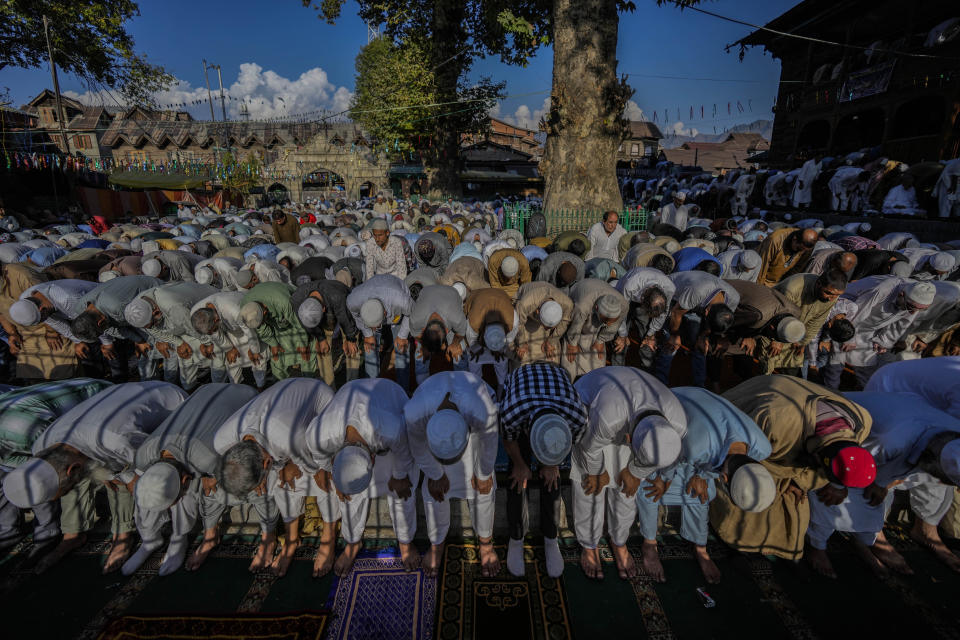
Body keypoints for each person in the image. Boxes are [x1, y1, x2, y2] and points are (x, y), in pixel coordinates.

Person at [2, 382, 187, 573]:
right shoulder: (41, 446)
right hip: (121, 405)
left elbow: (151, 461)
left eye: (68, 488)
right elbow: (99, 460)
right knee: (136, 486)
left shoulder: (115, 439)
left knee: (162, 481)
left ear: (73, 470)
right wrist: (115, 473)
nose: (72, 490)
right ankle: (151, 540)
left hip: (173, 405)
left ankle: (179, 539)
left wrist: (130, 477)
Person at [710, 375, 875, 560]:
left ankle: (780, 548)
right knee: (749, 488)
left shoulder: (862, 422)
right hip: (754, 404)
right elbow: (738, 451)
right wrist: (779, 477)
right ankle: (737, 542)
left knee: (794, 501)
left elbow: (836, 464)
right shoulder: (774, 420)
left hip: (787, 429)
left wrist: (802, 482)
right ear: (819, 457)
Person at [807, 391, 960, 577]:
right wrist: (838, 485)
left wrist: (883, 483)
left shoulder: (953, 432)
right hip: (842, 428)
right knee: (832, 494)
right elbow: (847, 460)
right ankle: (818, 546)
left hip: (904, 422)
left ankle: (868, 538)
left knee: (875, 495)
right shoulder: (890, 441)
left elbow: (913, 459)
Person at [122, 383, 259, 576]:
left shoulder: (207, 459)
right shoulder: (144, 455)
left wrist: (210, 478)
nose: (170, 507)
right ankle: (149, 539)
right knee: (150, 487)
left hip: (245, 394)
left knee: (187, 493)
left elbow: (224, 479)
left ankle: (179, 539)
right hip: (206, 390)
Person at [641, 386, 774, 583]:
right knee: (650, 490)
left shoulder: (763, 448)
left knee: (702, 493)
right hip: (675, 401)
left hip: (705, 415)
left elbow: (719, 461)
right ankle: (649, 545)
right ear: (725, 480)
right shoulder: (699, 445)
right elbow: (673, 455)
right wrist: (664, 479)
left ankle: (700, 549)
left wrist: (703, 475)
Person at [572, 367, 687, 581]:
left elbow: (663, 457)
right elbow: (590, 448)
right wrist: (598, 472)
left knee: (627, 491)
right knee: (590, 486)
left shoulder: (678, 423)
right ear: (629, 436)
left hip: (628, 405)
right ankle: (589, 544)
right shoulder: (609, 418)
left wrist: (636, 471)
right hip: (591, 406)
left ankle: (619, 541)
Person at [213, 379, 335, 577]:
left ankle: (328, 540)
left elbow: (320, 468)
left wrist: (289, 465)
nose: (258, 488)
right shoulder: (222, 442)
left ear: (266, 463)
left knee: (324, 483)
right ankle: (291, 540)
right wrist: (282, 467)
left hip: (319, 400)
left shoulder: (289, 437)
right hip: (282, 405)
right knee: (281, 485)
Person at [304, 378, 418, 577]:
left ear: (373, 457)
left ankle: (405, 542)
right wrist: (333, 475)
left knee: (403, 489)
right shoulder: (319, 435)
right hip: (350, 391)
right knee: (346, 494)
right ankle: (352, 543)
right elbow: (319, 456)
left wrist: (399, 476)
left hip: (389, 392)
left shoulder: (391, 429)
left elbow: (405, 450)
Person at [0, 379, 112, 556]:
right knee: (30, 478)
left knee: (58, 475)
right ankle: (30, 532)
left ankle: (61, 533)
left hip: (102, 402)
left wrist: (71, 529)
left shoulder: (21, 429)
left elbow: (68, 460)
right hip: (43, 422)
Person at [404, 372, 500, 577]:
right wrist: (435, 474)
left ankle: (485, 544)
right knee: (433, 493)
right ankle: (436, 544)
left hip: (474, 418)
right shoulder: (414, 414)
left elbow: (490, 443)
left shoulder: (483, 413)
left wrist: (482, 474)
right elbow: (418, 447)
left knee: (484, 489)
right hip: (434, 414)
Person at [499, 363, 588, 578]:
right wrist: (521, 465)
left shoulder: (577, 416)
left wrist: (552, 464)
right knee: (516, 478)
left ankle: (551, 537)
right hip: (521, 381)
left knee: (552, 477)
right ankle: (516, 537)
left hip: (556, 387)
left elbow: (569, 445)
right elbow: (508, 440)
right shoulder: (513, 411)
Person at [821, 277, 935, 389]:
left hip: (870, 329)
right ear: (901, 294)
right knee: (837, 360)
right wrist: (850, 339)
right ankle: (828, 392)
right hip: (848, 320)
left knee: (867, 366)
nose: (913, 312)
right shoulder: (883, 289)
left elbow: (902, 323)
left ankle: (862, 398)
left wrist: (883, 341)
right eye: (911, 307)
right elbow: (859, 311)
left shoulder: (916, 298)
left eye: (920, 310)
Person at [124, 281, 218, 391]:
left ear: (156, 312)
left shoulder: (174, 308)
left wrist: (206, 343)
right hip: (185, 322)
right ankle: (190, 387)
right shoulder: (139, 307)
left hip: (206, 313)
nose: (151, 328)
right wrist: (179, 343)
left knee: (212, 353)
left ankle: (216, 382)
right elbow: (154, 331)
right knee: (185, 355)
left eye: (152, 323)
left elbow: (194, 328)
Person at [656, 270, 740, 388]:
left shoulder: (733, 299)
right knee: (670, 343)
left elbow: (710, 324)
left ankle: (699, 387)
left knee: (701, 346)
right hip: (674, 295)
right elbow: (676, 313)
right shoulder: (697, 291)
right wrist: (675, 335)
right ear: (706, 312)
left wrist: (703, 336)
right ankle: (659, 384)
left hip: (696, 301)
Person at [761, 269, 847, 376]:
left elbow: (816, 322)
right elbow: (778, 315)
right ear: (819, 284)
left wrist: (803, 342)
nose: (831, 298)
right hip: (772, 327)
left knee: (794, 367)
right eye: (828, 293)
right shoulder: (793, 289)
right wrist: (777, 340)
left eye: (837, 295)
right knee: (766, 364)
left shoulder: (832, 297)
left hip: (795, 331)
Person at [345, 274, 413, 390]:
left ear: (385, 314)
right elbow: (354, 313)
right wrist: (367, 333)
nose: (374, 330)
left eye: (376, 326)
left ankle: (403, 390)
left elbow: (412, 312)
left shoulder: (401, 300)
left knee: (401, 348)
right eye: (372, 327)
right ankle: (372, 390)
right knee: (370, 348)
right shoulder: (353, 300)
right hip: (374, 295)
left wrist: (402, 336)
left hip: (397, 310)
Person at [191, 291, 269, 390]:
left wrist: (254, 350)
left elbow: (249, 331)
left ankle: (261, 388)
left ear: (216, 320)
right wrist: (228, 348)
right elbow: (215, 333)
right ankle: (235, 389)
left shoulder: (233, 310)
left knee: (257, 359)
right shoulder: (196, 313)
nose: (212, 334)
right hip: (230, 329)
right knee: (232, 361)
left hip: (249, 323)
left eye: (213, 330)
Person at [241, 281, 318, 381]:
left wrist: (303, 344)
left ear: (264, 312)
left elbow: (299, 324)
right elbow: (261, 328)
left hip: (295, 311)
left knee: (306, 352)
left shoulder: (283, 303)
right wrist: (273, 344)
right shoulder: (246, 308)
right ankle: (281, 385)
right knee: (277, 357)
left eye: (263, 321)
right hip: (277, 321)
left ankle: (309, 382)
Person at [293, 278, 361, 387]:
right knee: (322, 350)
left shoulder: (337, 297)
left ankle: (351, 387)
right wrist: (320, 338)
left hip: (346, 309)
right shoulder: (297, 300)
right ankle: (329, 388)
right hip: (323, 307)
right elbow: (306, 324)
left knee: (352, 349)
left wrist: (350, 338)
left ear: (323, 308)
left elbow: (346, 320)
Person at [562, 280, 628, 380]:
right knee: (569, 359)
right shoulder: (583, 306)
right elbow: (575, 325)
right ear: (597, 308)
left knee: (598, 360)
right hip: (579, 293)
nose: (609, 324)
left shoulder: (623, 305)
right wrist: (572, 343)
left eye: (611, 320)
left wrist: (601, 340)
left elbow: (614, 325)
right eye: (606, 320)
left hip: (597, 293)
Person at [514, 282, 573, 366]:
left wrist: (551, 342)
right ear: (537, 312)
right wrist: (522, 343)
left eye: (549, 327)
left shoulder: (567, 304)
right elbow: (518, 324)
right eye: (545, 326)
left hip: (547, 290)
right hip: (523, 294)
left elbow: (565, 322)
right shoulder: (524, 304)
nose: (546, 330)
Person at [755, 228, 819, 287]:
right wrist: (760, 288)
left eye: (802, 250)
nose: (799, 252)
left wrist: (785, 284)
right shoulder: (775, 240)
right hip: (763, 281)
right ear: (794, 239)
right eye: (798, 248)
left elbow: (797, 268)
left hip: (778, 284)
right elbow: (762, 267)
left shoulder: (807, 247)